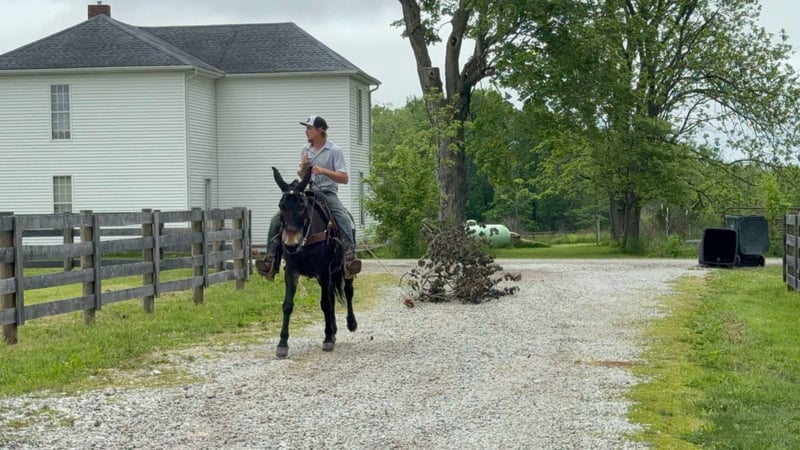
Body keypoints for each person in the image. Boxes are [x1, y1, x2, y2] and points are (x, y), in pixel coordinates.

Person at [256, 115, 362, 280]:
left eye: (309, 128)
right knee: (277, 219)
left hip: (327, 192)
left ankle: (349, 258)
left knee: (342, 217)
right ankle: (270, 260)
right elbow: (301, 175)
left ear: (320, 131)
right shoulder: (305, 149)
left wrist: (323, 171)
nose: (306, 131)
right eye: (306, 128)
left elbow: (344, 178)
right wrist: (304, 167)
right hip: (308, 191)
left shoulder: (334, 150)